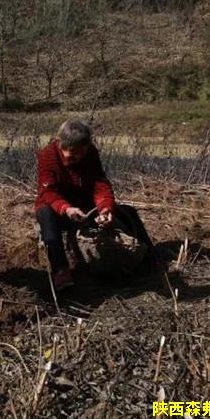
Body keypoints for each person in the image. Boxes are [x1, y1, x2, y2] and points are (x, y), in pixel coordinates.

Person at [35, 119, 156, 291]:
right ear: (60, 143)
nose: (77, 158)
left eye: (81, 153)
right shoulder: (48, 156)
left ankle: (151, 259)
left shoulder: (90, 152)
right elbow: (48, 193)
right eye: (72, 154)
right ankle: (61, 270)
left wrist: (105, 208)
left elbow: (100, 184)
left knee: (128, 212)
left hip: (84, 205)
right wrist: (66, 209)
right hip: (57, 208)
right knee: (46, 215)